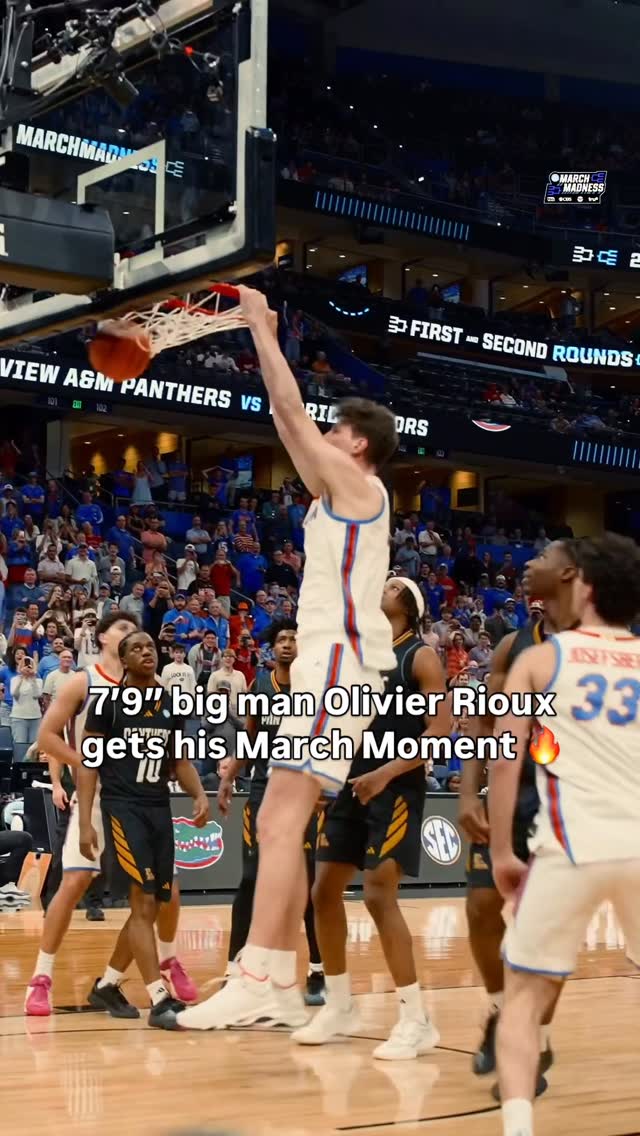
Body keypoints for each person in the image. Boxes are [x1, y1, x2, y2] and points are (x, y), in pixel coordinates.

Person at [178, 285, 398, 1031]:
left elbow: (284, 411)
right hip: (328, 665)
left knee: (283, 817)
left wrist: (261, 328)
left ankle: (252, 976)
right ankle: (274, 976)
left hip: (338, 662)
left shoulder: (358, 483)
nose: (321, 437)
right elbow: (293, 424)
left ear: (357, 442)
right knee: (278, 821)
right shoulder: (340, 491)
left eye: (334, 431)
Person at [490, 534, 640, 1136]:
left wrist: (502, 849)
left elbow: (505, 758)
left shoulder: (542, 660)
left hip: (570, 845)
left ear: (587, 586)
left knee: (522, 999)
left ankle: (520, 1129)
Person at [296, 576, 449, 1057]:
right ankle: (339, 1005)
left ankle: (415, 1018)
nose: (378, 589)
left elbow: (442, 729)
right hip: (349, 784)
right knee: (322, 892)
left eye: (389, 587)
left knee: (380, 894)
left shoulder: (418, 656)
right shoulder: (359, 659)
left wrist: (385, 773)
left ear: (407, 605)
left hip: (395, 787)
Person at [24, 612, 197, 1017]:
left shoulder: (157, 692)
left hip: (141, 796)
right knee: (76, 882)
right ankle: (41, 976)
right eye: (123, 630)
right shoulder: (84, 681)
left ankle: (155, 965)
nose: (134, 637)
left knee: (162, 892)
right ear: (104, 638)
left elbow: (176, 753)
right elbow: (46, 736)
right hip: (99, 794)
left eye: (141, 635)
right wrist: (90, 762)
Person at [458, 540, 579, 1086]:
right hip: (515, 793)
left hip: (572, 804)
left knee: (545, 930)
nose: (528, 563)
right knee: (482, 909)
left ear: (572, 573)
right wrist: (467, 792)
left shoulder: (606, 648)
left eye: (544, 557)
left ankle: (536, 1041)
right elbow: (481, 723)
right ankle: (502, 1010)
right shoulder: (513, 643)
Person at [78, 631, 209, 1029]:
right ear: (123, 660)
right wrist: (85, 822)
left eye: (150, 646)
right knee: (143, 903)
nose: (146, 652)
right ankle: (159, 997)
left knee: (150, 908)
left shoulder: (171, 702)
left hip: (158, 806)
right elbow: (87, 764)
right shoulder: (107, 703)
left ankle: (108, 984)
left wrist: (199, 794)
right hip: (123, 808)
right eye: (136, 648)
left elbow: (178, 758)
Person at [216, 621, 326, 1005]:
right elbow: (249, 738)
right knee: (249, 878)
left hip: (304, 791)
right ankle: (234, 965)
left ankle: (317, 970)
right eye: (281, 640)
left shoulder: (316, 690)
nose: (287, 645)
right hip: (264, 790)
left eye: (294, 639)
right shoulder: (259, 686)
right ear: (271, 648)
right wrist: (230, 776)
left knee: (309, 883)